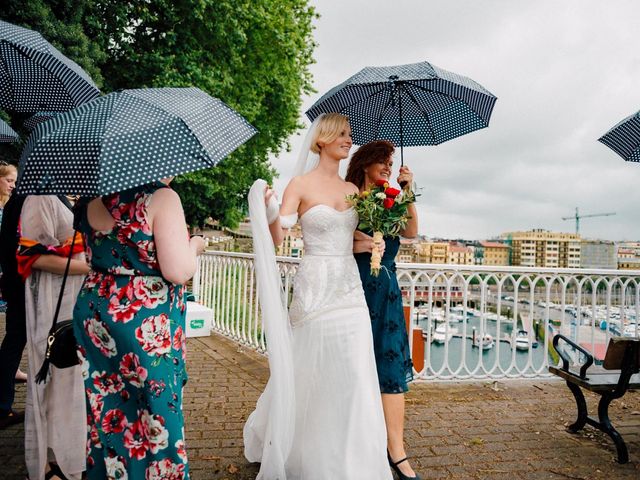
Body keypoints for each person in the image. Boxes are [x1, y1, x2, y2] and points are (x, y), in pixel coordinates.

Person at [244, 113, 392, 479]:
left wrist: (380, 228)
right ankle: (304, 452)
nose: (349, 140)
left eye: (350, 135)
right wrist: (270, 210)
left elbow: (355, 237)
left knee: (356, 370)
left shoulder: (353, 190)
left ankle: (355, 460)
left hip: (349, 287)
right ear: (322, 140)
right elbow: (280, 237)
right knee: (311, 370)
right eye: (343, 134)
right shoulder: (300, 184)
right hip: (315, 288)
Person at [73, 180, 205, 479]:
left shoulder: (93, 196)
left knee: (108, 405)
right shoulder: (161, 197)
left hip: (96, 309)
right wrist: (195, 245)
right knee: (157, 409)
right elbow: (178, 271)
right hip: (142, 317)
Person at [346, 140, 421, 480]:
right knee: (354, 366)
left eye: (392, 163)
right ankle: (355, 440)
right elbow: (333, 239)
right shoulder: (348, 195)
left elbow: (411, 232)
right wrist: (361, 240)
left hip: (385, 290)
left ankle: (397, 450)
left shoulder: (391, 196)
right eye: (383, 162)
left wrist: (407, 189)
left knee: (389, 365)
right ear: (365, 163)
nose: (389, 167)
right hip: (354, 286)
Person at [19, 194, 90, 479]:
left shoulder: (72, 198)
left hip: (74, 297)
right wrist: (89, 266)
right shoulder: (39, 199)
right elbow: (32, 257)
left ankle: (71, 455)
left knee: (72, 382)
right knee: (55, 378)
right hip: (52, 300)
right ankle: (49, 462)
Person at [0, 160, 28, 430]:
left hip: (13, 280)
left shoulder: (15, 201)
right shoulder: (27, 201)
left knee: (14, 340)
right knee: (15, 339)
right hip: (22, 283)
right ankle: (2, 405)